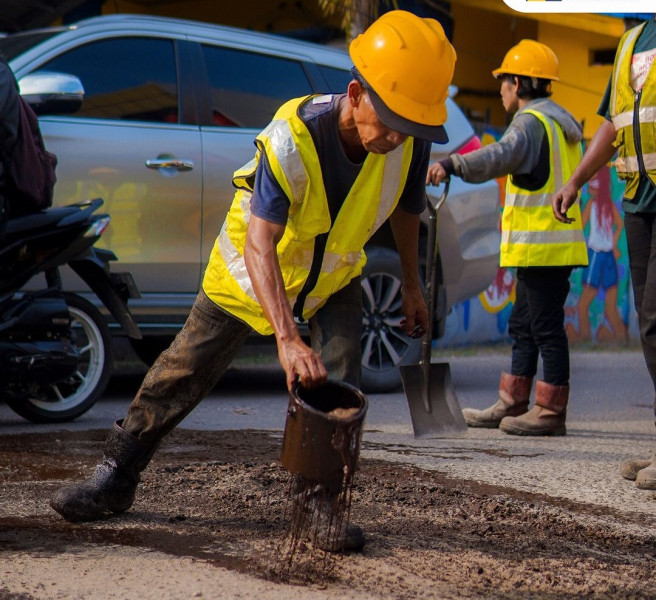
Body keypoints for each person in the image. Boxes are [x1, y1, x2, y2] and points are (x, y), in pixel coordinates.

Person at [49, 10, 457, 550]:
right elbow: (261, 241)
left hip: (334, 278)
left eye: (412, 126)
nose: (399, 137)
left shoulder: (408, 135)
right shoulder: (292, 138)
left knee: (341, 386)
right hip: (250, 273)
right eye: (392, 121)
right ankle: (113, 477)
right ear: (356, 93)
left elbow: (408, 207)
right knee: (181, 370)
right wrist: (286, 339)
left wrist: (410, 282)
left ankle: (319, 509)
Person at [426, 39, 588, 436]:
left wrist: (453, 164)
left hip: (544, 249)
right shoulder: (556, 123)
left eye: (503, 81)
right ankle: (514, 401)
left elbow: (500, 155)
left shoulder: (531, 124)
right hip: (543, 249)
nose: (500, 89)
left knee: (545, 327)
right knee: (524, 323)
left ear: (518, 83)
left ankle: (550, 410)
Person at [552, 16, 656, 490]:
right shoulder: (631, 41)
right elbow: (613, 124)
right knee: (648, 322)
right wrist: (574, 181)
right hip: (637, 199)